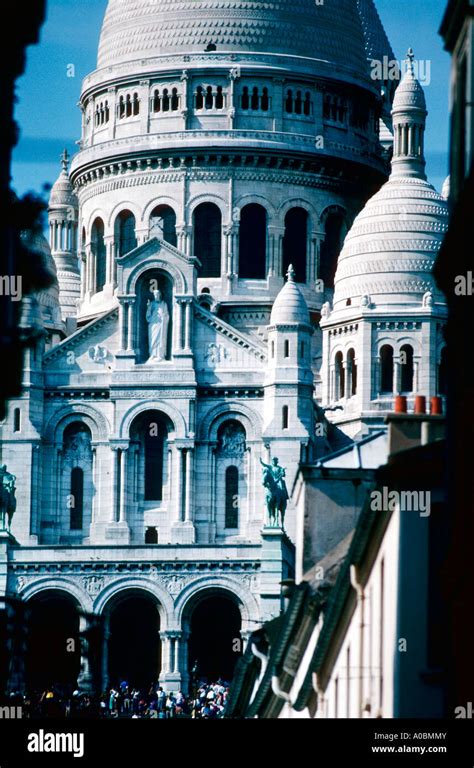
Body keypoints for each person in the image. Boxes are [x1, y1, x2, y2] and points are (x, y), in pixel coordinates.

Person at [146, 289, 169, 362]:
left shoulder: (164, 304)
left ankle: (160, 355)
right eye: (155, 295)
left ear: (160, 295)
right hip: (153, 323)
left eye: (157, 295)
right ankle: (152, 355)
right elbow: (148, 315)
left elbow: (167, 315)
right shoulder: (152, 303)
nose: (156, 296)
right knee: (152, 339)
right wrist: (148, 307)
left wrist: (163, 317)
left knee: (161, 339)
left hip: (161, 324)